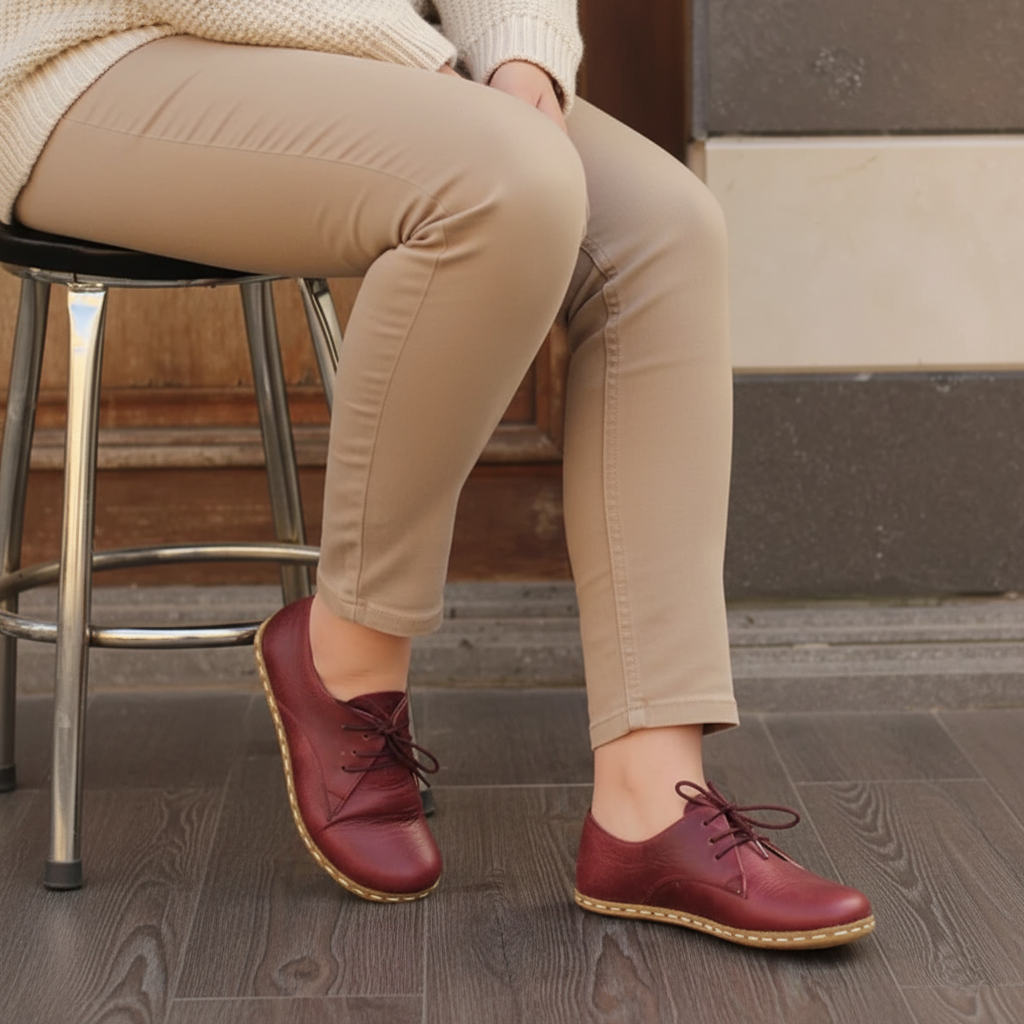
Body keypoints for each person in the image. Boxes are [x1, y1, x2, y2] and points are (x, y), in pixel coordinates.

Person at [1, 1, 873, 949]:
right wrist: (415, 58)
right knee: (501, 179)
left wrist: (521, 66)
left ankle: (651, 800)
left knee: (665, 229)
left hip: (387, 62)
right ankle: (348, 655)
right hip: (89, 57)